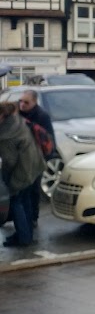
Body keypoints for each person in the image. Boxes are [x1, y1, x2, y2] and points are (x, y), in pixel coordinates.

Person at [0, 101, 47, 248]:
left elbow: (9, 160)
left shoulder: (6, 134)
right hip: (33, 167)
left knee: (16, 203)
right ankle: (25, 235)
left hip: (22, 172)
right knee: (25, 201)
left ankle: (23, 238)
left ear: (2, 115)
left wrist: (5, 176)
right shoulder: (17, 121)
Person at [18, 90, 54, 225]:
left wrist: (47, 157)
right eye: (20, 101)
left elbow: (49, 138)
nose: (22, 105)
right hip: (22, 158)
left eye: (26, 102)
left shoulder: (41, 116)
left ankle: (33, 217)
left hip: (37, 158)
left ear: (34, 102)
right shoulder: (18, 114)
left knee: (34, 189)